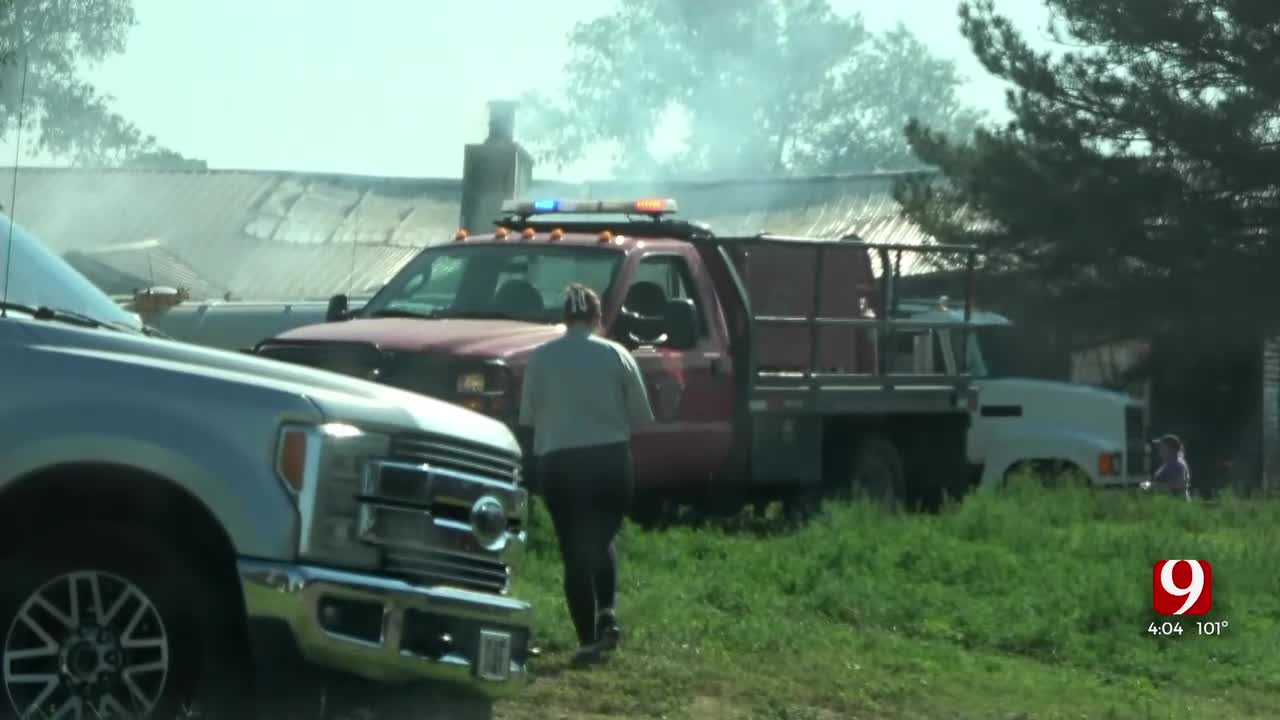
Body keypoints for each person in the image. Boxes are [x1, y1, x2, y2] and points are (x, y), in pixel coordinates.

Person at [518, 283, 655, 666]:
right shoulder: (617, 355)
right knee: (600, 538)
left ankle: (587, 639)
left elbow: (528, 418)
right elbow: (642, 416)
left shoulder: (541, 358)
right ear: (598, 317)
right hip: (611, 461)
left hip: (560, 463)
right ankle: (606, 610)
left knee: (574, 551)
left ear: (564, 318)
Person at [1151, 434, 1192, 501]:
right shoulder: (1169, 463)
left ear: (1169, 448)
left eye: (1161, 446)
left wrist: (1152, 486)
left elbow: (1180, 485)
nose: (1159, 449)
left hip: (1177, 505)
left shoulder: (1176, 464)